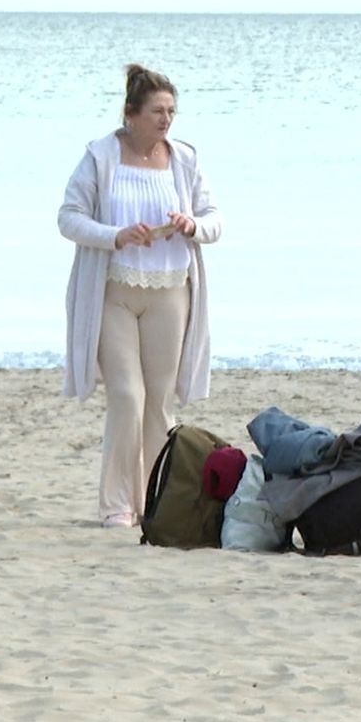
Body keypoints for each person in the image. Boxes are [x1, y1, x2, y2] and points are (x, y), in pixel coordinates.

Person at [58, 64, 223, 527]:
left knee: (158, 400)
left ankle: (155, 499)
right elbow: (68, 218)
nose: (166, 119)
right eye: (157, 111)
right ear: (131, 114)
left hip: (170, 291)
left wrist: (192, 225)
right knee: (127, 396)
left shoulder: (184, 159)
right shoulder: (99, 157)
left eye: (171, 110)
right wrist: (116, 235)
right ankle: (115, 505)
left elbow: (215, 218)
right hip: (113, 291)